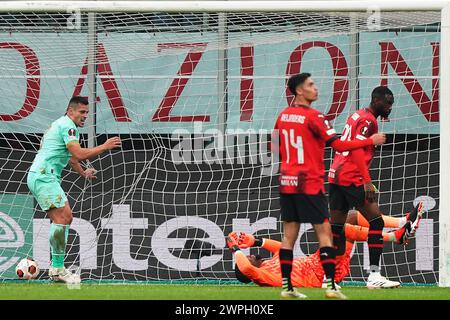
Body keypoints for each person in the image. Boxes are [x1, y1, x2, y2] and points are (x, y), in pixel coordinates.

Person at [272, 73, 386, 299]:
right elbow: (340, 145)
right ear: (299, 91)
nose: (316, 88)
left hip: (287, 180)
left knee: (289, 236)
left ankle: (287, 288)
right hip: (310, 182)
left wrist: (291, 161)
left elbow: (275, 146)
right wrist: (369, 141)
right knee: (326, 233)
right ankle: (331, 286)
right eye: (310, 85)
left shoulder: (283, 115)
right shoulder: (316, 117)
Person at [327, 86, 421, 289]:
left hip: (336, 174)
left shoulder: (357, 114)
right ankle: (374, 276)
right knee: (376, 223)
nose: (390, 107)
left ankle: (329, 279)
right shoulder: (369, 121)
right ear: (376, 100)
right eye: (387, 102)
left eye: (391, 103)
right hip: (352, 177)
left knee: (335, 229)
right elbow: (359, 151)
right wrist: (367, 180)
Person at [26, 96, 121, 284]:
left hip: (42, 176)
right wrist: (104, 146)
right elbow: (77, 153)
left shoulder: (62, 125)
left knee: (64, 218)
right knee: (63, 217)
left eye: (87, 112)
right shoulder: (68, 126)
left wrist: (83, 172)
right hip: (44, 176)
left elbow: (70, 157)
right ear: (71, 111)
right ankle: (57, 269)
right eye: (82, 112)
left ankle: (57, 268)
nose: (85, 116)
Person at [226, 201, 424, 288]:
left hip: (318, 261)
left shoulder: (270, 263)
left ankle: (401, 222)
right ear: (248, 269)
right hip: (321, 273)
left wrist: (256, 241)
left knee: (350, 217)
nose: (249, 255)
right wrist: (234, 248)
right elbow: (243, 266)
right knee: (337, 228)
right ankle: (394, 237)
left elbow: (281, 248)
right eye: (248, 257)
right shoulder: (263, 276)